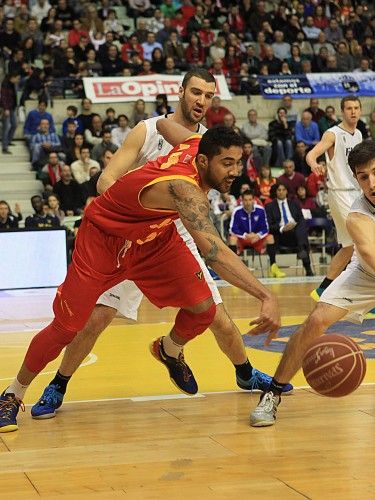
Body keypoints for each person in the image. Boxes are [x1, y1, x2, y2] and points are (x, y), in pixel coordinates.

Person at [20, 70, 292, 424]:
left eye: (209, 96)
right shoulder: (149, 129)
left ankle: (232, 368)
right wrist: (130, 202)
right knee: (96, 318)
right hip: (123, 235)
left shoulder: (207, 144)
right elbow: (106, 180)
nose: (201, 101)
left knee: (214, 314)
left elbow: (181, 148)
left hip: (175, 235)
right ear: (180, 92)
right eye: (196, 92)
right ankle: (59, 383)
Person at [250, 139, 375, 426]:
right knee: (316, 320)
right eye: (363, 177)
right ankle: (272, 394)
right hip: (366, 275)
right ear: (356, 179)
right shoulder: (357, 215)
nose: (371, 182)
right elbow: (370, 254)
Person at [307, 97, 363, 300]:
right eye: (349, 108)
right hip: (340, 193)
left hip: (356, 193)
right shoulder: (333, 134)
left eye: (356, 108)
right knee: (362, 242)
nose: (353, 112)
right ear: (342, 111)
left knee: (348, 247)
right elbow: (312, 153)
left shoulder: (358, 134)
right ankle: (361, 293)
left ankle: (322, 289)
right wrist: (314, 164)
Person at [229, 190, 285, 279]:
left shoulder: (260, 210)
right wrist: (245, 235)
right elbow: (233, 228)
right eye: (245, 200)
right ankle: (235, 270)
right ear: (242, 201)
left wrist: (258, 235)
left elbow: (265, 227)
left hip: (257, 239)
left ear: (253, 200)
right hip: (243, 239)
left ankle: (273, 267)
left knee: (270, 237)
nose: (248, 202)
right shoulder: (237, 211)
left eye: (250, 199)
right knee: (232, 239)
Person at [266, 183, 313, 277]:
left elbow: (300, 219)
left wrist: (293, 225)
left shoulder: (294, 203)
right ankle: (305, 260)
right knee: (302, 236)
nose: (281, 192)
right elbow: (268, 225)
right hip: (280, 235)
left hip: (295, 232)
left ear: (286, 191)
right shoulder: (269, 206)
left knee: (301, 225)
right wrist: (283, 228)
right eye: (279, 190)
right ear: (275, 192)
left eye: (283, 190)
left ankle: (305, 260)